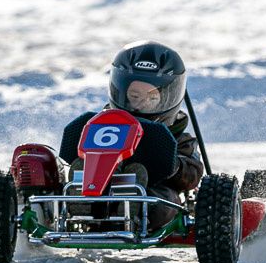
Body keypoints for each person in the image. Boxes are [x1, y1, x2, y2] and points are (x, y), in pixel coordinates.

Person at [71, 41, 205, 232]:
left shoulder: (178, 137)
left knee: (164, 200)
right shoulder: (102, 127)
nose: (140, 104)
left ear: (168, 98)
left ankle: (128, 208)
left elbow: (193, 175)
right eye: (134, 96)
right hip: (100, 186)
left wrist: (172, 163)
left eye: (151, 98)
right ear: (121, 92)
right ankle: (82, 195)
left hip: (153, 192)